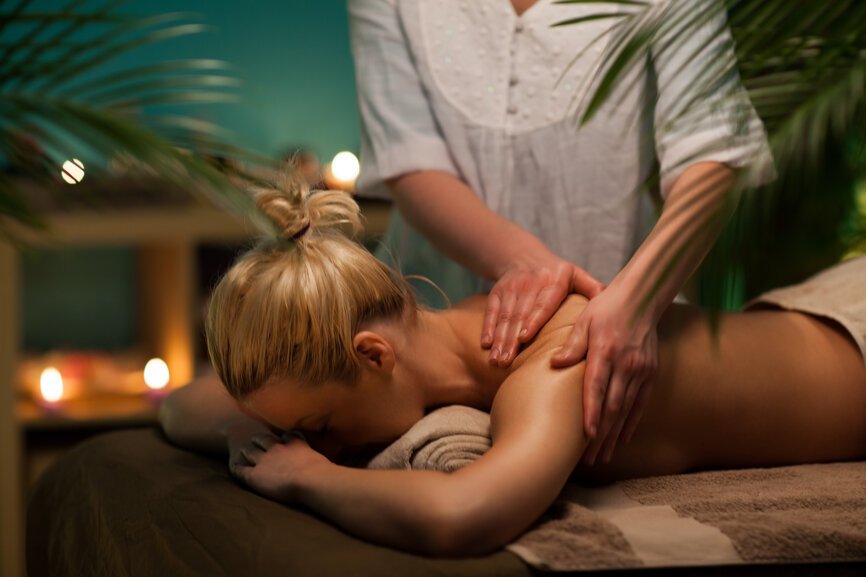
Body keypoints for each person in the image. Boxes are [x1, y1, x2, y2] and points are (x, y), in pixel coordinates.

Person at [160, 183, 866, 557]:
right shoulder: (439, 338)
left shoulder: (552, 357)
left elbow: (464, 516)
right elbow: (177, 406)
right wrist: (242, 435)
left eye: (321, 426)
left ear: (373, 355)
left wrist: (309, 477)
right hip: (802, 316)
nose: (325, 445)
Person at [348, 0, 777, 462]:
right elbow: (410, 160)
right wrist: (531, 265)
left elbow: (711, 148)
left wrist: (638, 299)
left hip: (609, 330)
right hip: (430, 333)